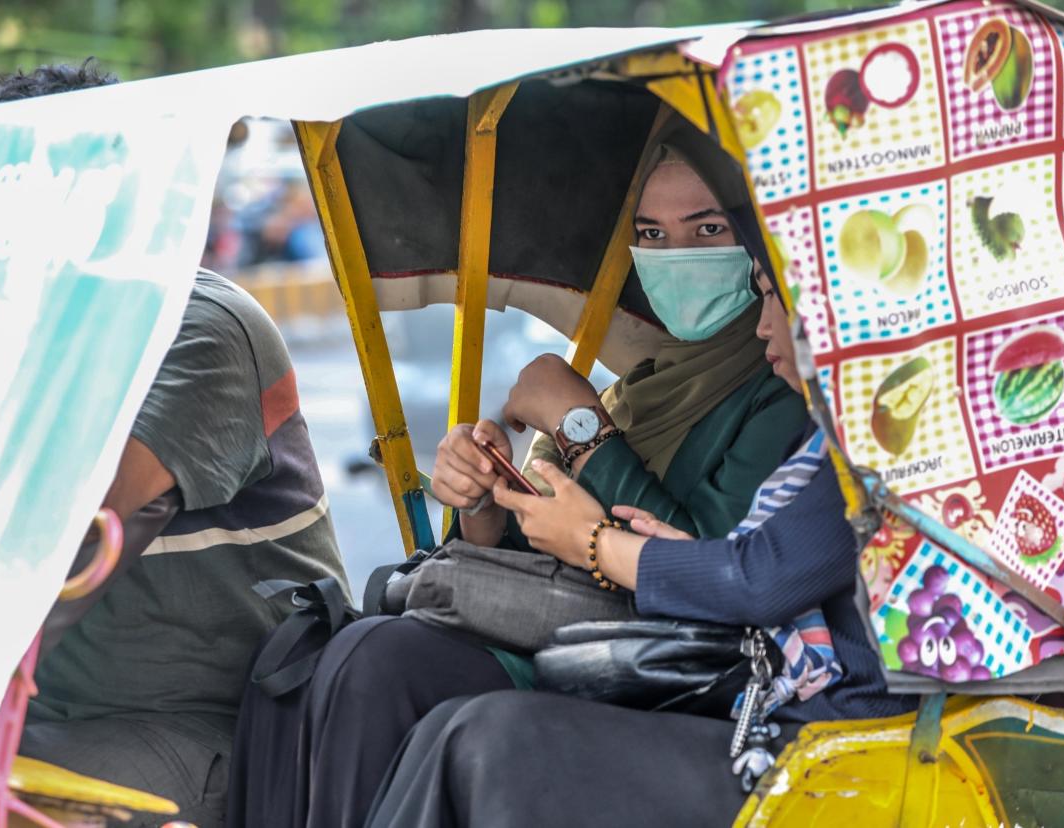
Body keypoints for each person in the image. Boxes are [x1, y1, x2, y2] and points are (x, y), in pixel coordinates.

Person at [226, 119, 811, 828]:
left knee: (378, 664)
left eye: (709, 230)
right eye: (651, 236)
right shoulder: (644, 384)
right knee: (334, 651)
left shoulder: (782, 392)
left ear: (760, 251)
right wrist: (482, 496)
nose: (674, 257)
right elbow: (519, 552)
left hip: (655, 663)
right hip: (557, 625)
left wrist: (583, 430)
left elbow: (705, 567)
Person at [362, 268, 916, 828]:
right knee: (385, 667)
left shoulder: (876, 434)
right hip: (749, 693)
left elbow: (760, 578)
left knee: (488, 739)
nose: (764, 324)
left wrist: (597, 540)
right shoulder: (652, 393)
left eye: (777, 299)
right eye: (650, 235)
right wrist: (485, 496)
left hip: (832, 737)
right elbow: (754, 557)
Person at [0, 62, 349, 828]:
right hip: (53, 714)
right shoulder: (28, 322)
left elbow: (51, 517)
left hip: (215, 733)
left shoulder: (196, 328)